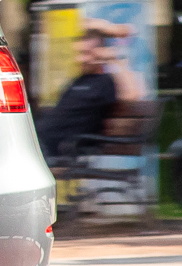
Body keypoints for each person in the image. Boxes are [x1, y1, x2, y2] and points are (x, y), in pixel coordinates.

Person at [35, 22, 145, 163]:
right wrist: (107, 28)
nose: (79, 59)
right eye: (78, 53)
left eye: (86, 53)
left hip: (62, 149)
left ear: (100, 53)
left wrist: (114, 59)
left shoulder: (105, 82)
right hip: (43, 144)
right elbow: (85, 23)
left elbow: (133, 95)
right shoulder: (79, 80)